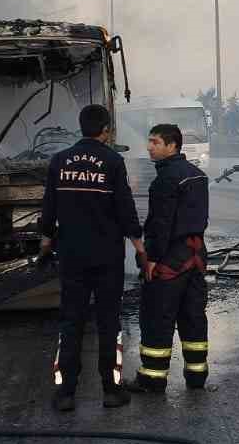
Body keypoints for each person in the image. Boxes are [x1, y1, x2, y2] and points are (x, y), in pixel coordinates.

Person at [39, 103, 144, 412]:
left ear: (80, 127)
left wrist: (46, 243)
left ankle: (65, 393)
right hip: (107, 257)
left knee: (71, 322)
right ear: (106, 130)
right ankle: (111, 391)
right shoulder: (113, 161)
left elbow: (49, 210)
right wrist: (139, 245)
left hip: (71, 255)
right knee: (108, 322)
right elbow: (125, 208)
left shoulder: (59, 161)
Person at [134, 122, 210, 395]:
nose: (149, 147)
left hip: (170, 259)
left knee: (158, 316)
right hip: (196, 255)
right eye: (150, 141)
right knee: (193, 316)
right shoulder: (198, 176)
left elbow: (159, 224)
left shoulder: (164, 180)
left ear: (172, 145)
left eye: (155, 142)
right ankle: (197, 375)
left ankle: (152, 379)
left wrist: (150, 259)